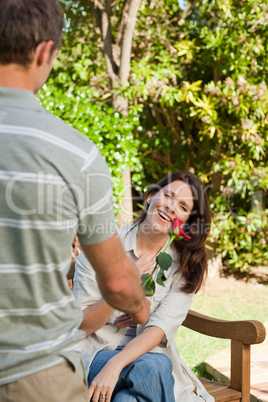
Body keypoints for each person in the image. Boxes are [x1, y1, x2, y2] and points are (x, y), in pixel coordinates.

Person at [0, 1, 150, 401]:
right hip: (31, 373)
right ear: (44, 51)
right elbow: (118, 283)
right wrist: (138, 304)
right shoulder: (73, 153)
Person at [73, 171, 214, 402]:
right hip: (94, 356)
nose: (171, 208)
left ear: (187, 223)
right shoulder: (101, 249)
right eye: (167, 196)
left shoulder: (183, 267)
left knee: (131, 395)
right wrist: (122, 286)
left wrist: (116, 364)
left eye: (183, 207)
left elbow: (158, 328)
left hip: (146, 361)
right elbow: (81, 326)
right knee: (156, 365)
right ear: (150, 197)